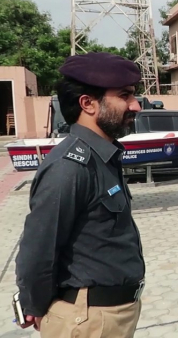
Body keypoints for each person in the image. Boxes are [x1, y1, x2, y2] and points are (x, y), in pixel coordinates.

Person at [14, 52, 146, 337]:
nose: (135, 106)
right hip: (86, 322)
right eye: (125, 95)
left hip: (110, 317)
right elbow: (38, 249)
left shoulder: (102, 156)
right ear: (87, 103)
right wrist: (35, 306)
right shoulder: (69, 168)